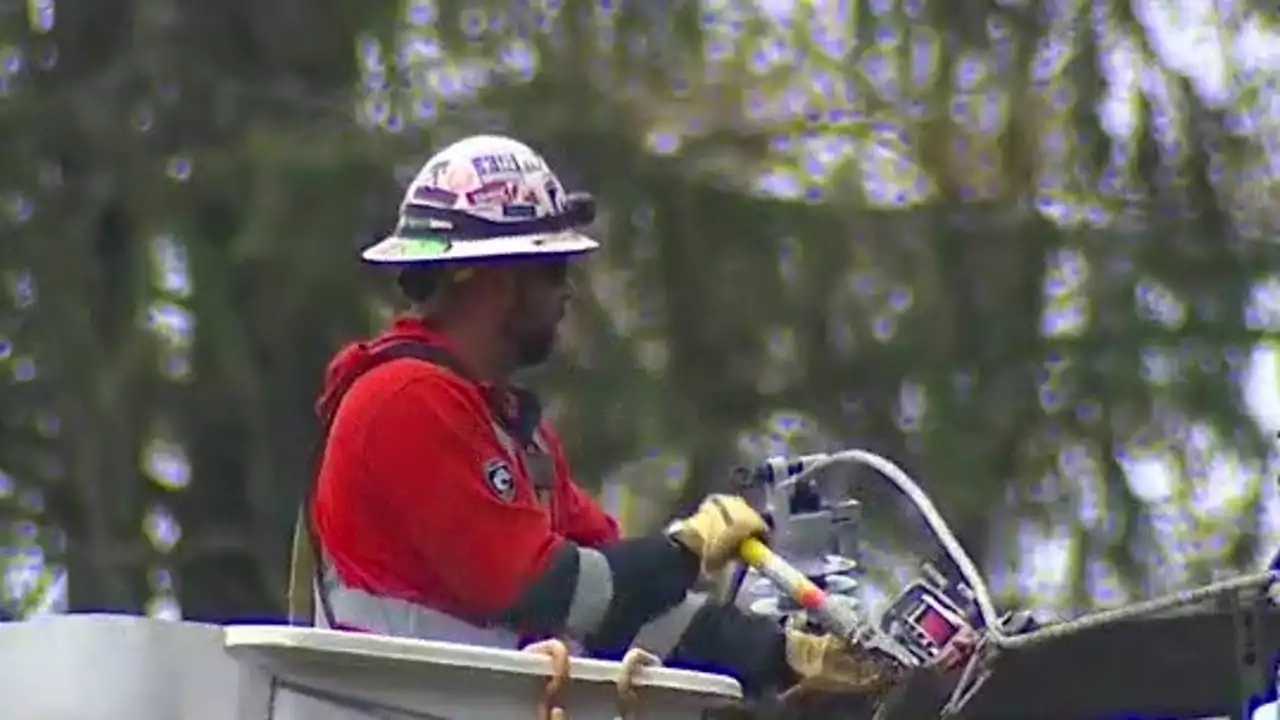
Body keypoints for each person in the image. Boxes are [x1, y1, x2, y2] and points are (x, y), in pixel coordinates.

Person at [286, 134, 899, 700]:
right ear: (496, 281)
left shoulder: (504, 425)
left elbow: (626, 603)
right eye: (554, 272)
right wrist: (687, 549)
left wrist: (786, 657)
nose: (568, 293)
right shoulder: (403, 402)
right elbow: (551, 593)